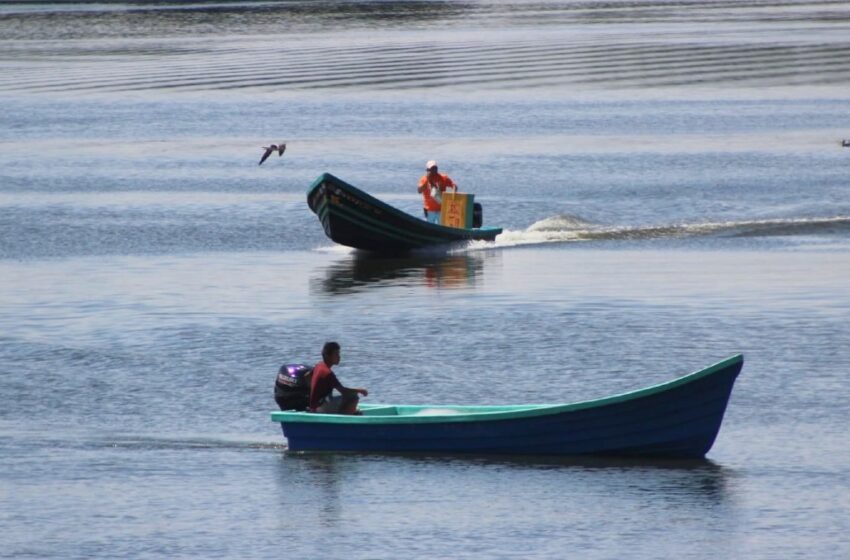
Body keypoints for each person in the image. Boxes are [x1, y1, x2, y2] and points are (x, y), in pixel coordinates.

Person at [309, 341, 368, 414]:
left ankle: (348, 412)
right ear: (327, 356)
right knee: (353, 396)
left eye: (339, 354)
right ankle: (347, 417)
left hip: (314, 406)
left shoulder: (318, 366)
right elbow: (343, 391)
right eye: (336, 354)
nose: (339, 357)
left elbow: (307, 376)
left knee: (340, 396)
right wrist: (360, 390)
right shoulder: (327, 372)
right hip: (319, 408)